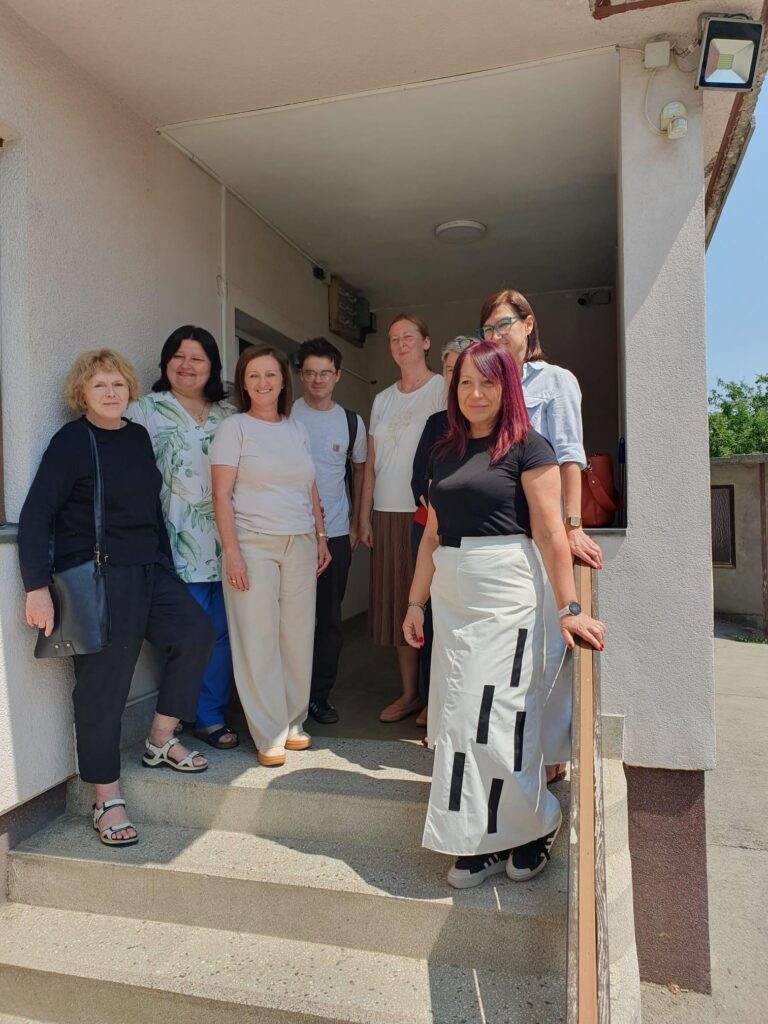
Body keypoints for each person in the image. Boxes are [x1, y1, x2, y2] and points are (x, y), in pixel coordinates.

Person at [402, 342, 605, 889]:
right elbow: (432, 534)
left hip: (506, 589)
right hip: (451, 591)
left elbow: (548, 532)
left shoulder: (528, 446)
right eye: (465, 383)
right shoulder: (442, 449)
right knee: (457, 720)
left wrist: (568, 608)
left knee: (501, 716)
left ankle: (533, 826)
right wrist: (415, 602)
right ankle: (478, 837)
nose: (474, 393)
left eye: (487, 383)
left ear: (507, 387)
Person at [19, 349, 214, 848]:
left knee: (196, 633)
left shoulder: (136, 436)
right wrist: (36, 587)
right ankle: (105, 796)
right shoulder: (72, 442)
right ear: (82, 393)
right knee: (102, 689)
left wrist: (165, 564)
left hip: (150, 569)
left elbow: (150, 507)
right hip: (99, 580)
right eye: (100, 385)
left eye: (119, 385)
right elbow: (38, 512)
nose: (111, 393)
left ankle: (159, 737)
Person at [480, 288, 602, 784]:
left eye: (504, 324)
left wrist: (572, 525)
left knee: (552, 644)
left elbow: (571, 453)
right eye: (487, 329)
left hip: (544, 526)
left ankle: (552, 755)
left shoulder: (554, 380)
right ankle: (513, 747)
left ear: (529, 324)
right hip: (501, 531)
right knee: (510, 648)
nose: (496, 335)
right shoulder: (487, 384)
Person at [211, 345, 331, 767]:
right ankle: (269, 731)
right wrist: (233, 555)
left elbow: (309, 486)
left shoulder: (296, 428)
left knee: (298, 636)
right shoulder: (234, 428)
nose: (263, 383)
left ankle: (294, 722)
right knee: (258, 638)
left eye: (271, 375)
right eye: (254, 375)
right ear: (244, 383)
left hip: (298, 541)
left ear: (284, 381)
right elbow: (221, 497)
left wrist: (320, 535)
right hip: (253, 543)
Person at [127, 325, 238, 750]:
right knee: (191, 634)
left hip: (226, 543)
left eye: (197, 358)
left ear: (212, 367)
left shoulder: (229, 416)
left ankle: (210, 714)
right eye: (178, 355)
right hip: (173, 542)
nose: (186, 365)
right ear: (165, 362)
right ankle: (187, 717)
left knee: (223, 633)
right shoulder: (144, 410)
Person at [359, 313, 445, 723]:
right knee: (398, 605)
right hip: (386, 513)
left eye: (408, 336)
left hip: (423, 515)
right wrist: (364, 516)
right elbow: (371, 463)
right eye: (393, 339)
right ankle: (410, 694)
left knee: (429, 603)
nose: (400, 344)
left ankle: (435, 696)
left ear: (426, 342)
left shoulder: (441, 387)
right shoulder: (382, 399)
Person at [292, 337, 367, 725]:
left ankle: (319, 696)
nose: (317, 379)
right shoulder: (285, 416)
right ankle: (289, 697)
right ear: (300, 375)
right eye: (309, 372)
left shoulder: (351, 422)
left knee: (328, 620)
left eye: (325, 372)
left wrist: (358, 521)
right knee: (288, 619)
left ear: (337, 375)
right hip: (289, 533)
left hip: (335, 534)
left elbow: (360, 472)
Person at [409, 336, 475, 730]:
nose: (457, 379)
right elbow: (419, 476)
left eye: (463, 371)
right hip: (435, 534)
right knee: (430, 619)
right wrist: (440, 508)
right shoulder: (436, 424)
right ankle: (431, 700)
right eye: (451, 371)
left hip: (480, 545)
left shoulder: (499, 424)